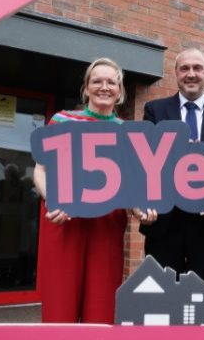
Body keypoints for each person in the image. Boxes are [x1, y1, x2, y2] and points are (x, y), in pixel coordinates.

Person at [33, 58, 157, 323]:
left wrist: (139, 209)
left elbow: (130, 186)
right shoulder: (62, 121)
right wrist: (52, 198)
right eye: (97, 81)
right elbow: (40, 171)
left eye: (111, 82)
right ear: (86, 88)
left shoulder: (128, 133)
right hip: (64, 220)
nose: (104, 87)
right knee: (59, 307)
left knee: (100, 309)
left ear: (120, 90)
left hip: (107, 224)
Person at [137, 48, 204, 285]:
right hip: (164, 223)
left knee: (202, 300)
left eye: (197, 68)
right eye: (184, 68)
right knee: (162, 299)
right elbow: (145, 159)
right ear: (176, 73)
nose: (191, 74)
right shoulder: (155, 110)